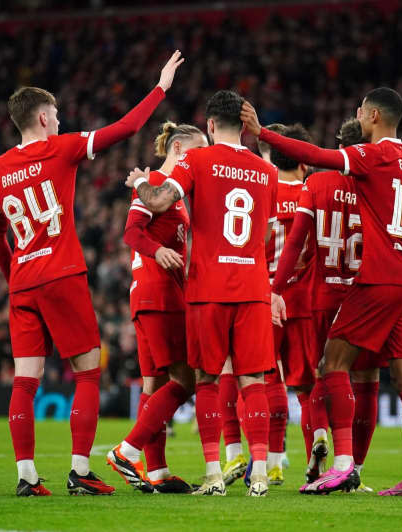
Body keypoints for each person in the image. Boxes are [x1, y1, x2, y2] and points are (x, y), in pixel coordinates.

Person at [0, 51, 184, 497]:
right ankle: (79, 471)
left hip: (23, 283)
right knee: (88, 371)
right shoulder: (62, 147)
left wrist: (13, 274)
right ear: (41, 116)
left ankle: (27, 477)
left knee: (24, 380)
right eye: (55, 115)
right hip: (61, 275)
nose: (60, 120)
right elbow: (128, 128)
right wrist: (161, 87)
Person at [242, 87, 402, 496]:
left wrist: (264, 133)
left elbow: (318, 158)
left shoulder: (373, 156)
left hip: (374, 281)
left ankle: (345, 464)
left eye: (360, 111)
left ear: (372, 116)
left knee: (332, 363)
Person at [126, 90, 277, 497]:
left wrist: (141, 181)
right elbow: (264, 233)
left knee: (207, 380)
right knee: (254, 381)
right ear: (244, 125)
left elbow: (158, 201)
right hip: (253, 287)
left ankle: (213, 475)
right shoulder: (268, 171)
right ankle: (260, 473)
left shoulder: (196, 159)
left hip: (208, 287)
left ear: (210, 125)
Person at [106, 121, 207, 494]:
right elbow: (132, 232)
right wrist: (158, 250)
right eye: (198, 150)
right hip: (159, 294)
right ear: (179, 149)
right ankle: (126, 451)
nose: (201, 158)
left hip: (152, 295)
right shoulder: (153, 189)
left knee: (154, 385)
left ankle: (159, 472)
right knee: (188, 380)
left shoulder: (171, 192)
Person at [217, 123, 287, 488]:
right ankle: (271, 462)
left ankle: (234, 455)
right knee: (270, 373)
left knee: (229, 369)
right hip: (281, 292)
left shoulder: (243, 175)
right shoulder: (285, 183)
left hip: (244, 283)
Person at [262, 124, 316, 486]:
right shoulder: (315, 192)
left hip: (263, 296)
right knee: (309, 386)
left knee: (265, 376)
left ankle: (270, 458)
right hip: (303, 298)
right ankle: (318, 466)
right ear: (304, 162)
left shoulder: (262, 190)